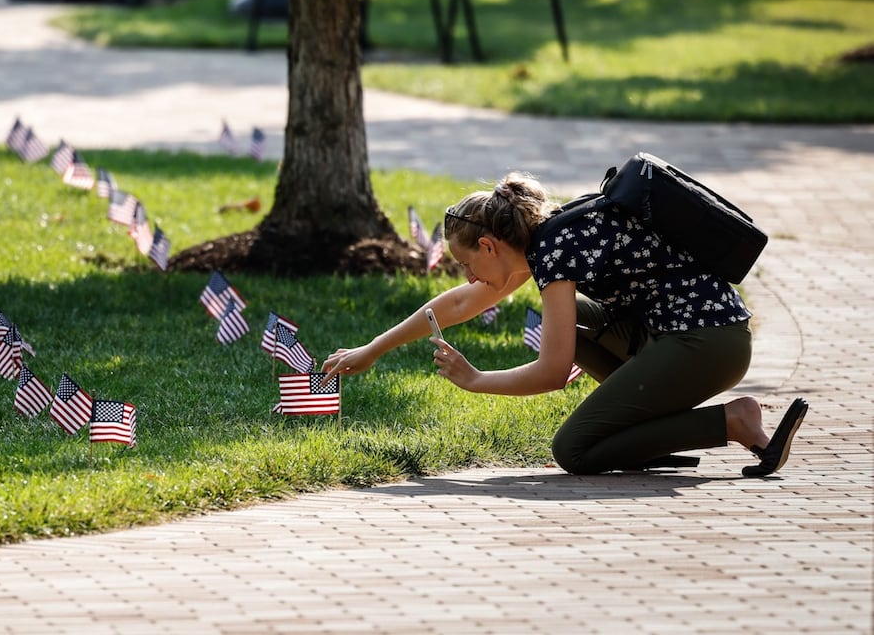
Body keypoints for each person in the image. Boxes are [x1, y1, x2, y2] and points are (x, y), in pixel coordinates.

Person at [320, 171, 809, 477]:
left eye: (468, 264)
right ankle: (646, 431)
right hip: (681, 334)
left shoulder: (553, 250)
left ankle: (732, 422)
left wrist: (476, 381)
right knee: (572, 332)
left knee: (574, 449)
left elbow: (552, 371)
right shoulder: (551, 235)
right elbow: (457, 306)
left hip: (705, 344)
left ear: (490, 246)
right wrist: (373, 350)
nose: (468, 277)